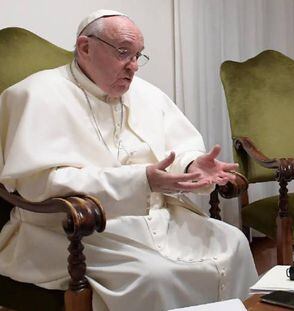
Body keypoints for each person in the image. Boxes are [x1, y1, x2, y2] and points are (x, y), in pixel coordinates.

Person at [0, 9, 258, 311]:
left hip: (158, 219)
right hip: (75, 230)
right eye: (124, 53)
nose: (133, 67)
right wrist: (142, 180)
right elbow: (41, 183)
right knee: (155, 276)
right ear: (85, 47)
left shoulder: (147, 95)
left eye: (138, 56)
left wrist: (190, 166)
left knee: (235, 243)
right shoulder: (36, 94)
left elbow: (176, 149)